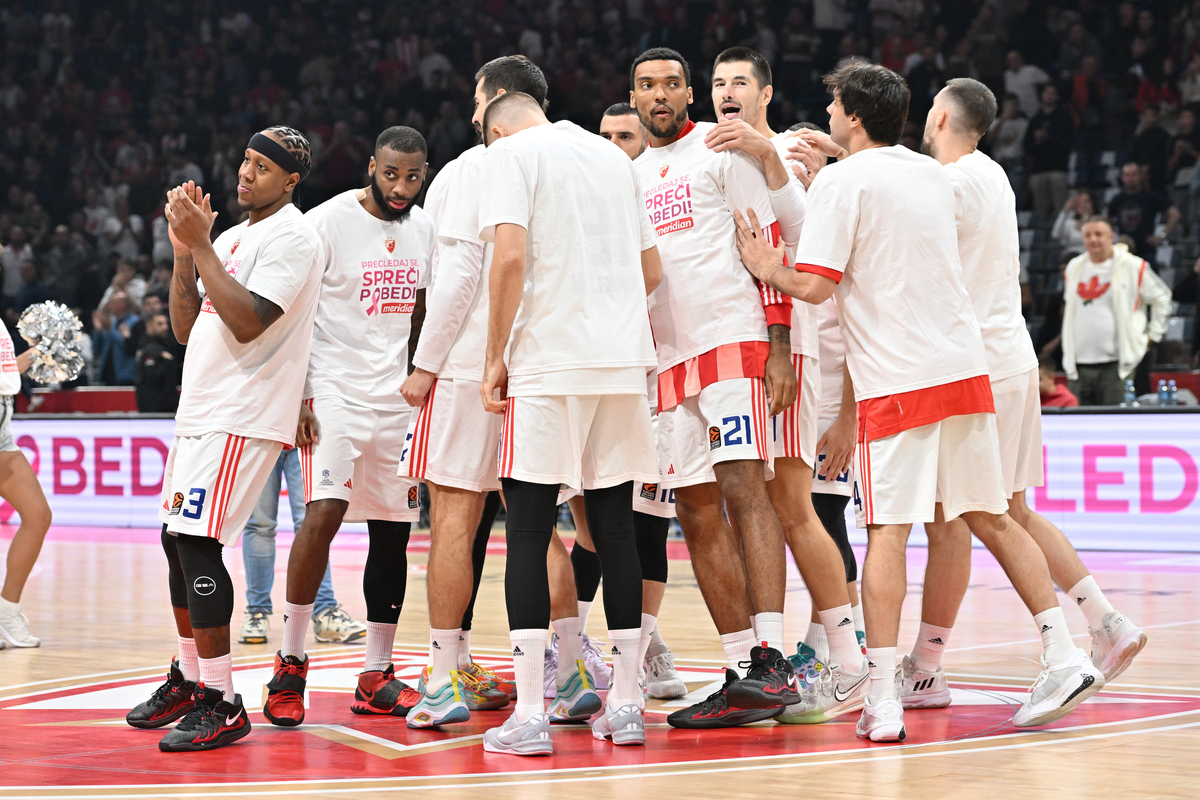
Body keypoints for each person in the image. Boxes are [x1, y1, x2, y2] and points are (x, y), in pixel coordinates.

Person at [735, 62, 1104, 743]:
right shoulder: (937, 175)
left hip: (897, 383)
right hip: (965, 371)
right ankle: (1065, 652)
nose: (829, 110)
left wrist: (767, 267)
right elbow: (891, 198)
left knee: (888, 535)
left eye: (834, 104)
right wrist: (842, 160)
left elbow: (815, 287)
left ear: (850, 114)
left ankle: (881, 696)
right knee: (991, 518)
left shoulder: (846, 181)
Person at [898, 79, 1147, 715]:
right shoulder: (995, 175)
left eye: (930, 111)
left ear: (943, 116)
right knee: (998, 509)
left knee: (973, 513)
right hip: (1010, 356)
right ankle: (1104, 621)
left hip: (974, 365)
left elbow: (894, 236)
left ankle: (1058, 657)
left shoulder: (947, 184)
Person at [124, 126, 323, 752]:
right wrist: (186, 253)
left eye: (263, 167)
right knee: (174, 539)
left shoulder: (295, 235)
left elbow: (246, 321)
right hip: (202, 410)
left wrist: (203, 246)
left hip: (244, 412)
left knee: (199, 543)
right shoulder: (232, 238)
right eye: (244, 160)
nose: (245, 173)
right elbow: (187, 329)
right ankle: (187, 678)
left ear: (290, 181)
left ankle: (222, 698)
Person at [475, 90, 662, 755]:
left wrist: (495, 356)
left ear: (495, 119)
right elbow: (651, 269)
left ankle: (530, 715)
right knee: (614, 528)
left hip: (548, 364)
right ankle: (630, 706)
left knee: (526, 529)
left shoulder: (511, 154)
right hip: (619, 362)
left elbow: (511, 260)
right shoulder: (614, 157)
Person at [628, 47, 801, 730]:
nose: (660, 95)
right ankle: (739, 672)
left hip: (732, 340)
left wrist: (780, 343)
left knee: (743, 491)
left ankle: (772, 658)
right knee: (694, 512)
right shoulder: (630, 176)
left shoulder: (723, 151)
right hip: (667, 359)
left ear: (689, 93)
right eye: (647, 86)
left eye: (672, 84)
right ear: (634, 97)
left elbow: (771, 246)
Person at [704, 45, 868, 724]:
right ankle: (828, 654)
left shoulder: (789, 154)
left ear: (766, 92)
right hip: (787, 350)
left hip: (798, 353)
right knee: (788, 507)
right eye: (719, 83)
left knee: (801, 510)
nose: (727, 92)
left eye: (740, 80)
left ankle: (848, 658)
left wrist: (790, 162)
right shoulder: (726, 159)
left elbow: (794, 253)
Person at [263, 127, 441, 728]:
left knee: (394, 530)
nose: (400, 186)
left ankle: (376, 673)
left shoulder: (424, 230)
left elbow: (422, 313)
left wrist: (423, 376)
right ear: (372, 165)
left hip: (396, 399)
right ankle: (290, 662)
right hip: (332, 389)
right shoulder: (326, 221)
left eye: (413, 176)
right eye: (390, 173)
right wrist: (301, 394)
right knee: (324, 513)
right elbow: (293, 312)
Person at [398, 56, 549, 722]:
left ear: (495, 101)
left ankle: (443, 675)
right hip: (540, 364)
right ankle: (568, 669)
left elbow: (456, 279)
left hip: (466, 369)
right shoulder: (569, 163)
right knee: (537, 527)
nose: (469, 113)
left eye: (475, 99)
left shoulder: (468, 170)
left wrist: (425, 365)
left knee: (453, 523)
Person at [236, 448, 366, 647]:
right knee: (259, 525)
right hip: (262, 429)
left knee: (312, 523)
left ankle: (324, 614)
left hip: (306, 435)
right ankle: (256, 612)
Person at [1061, 216, 1172, 405]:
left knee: (1113, 424)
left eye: (1099, 234)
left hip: (1117, 363)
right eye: (1088, 235)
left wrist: (1153, 335)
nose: (1093, 239)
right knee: (1079, 428)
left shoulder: (1133, 265)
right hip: (1078, 364)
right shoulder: (1074, 267)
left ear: (1111, 236)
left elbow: (1162, 297)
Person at [0, 319, 53, 648]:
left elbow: (6, 378)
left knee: (37, 515)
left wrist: (38, 354)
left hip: (3, 436)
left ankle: (6, 613)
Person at [1107, 163, 1180, 268]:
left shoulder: (1151, 196)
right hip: (1124, 252)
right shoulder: (1118, 199)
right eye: (1127, 175)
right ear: (1122, 177)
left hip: (1146, 252)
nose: (1130, 178)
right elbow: (1107, 219)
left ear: (1140, 176)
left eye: (1133, 174)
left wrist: (1162, 236)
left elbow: (1175, 214)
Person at [1023, 83, 1073, 220]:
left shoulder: (1064, 117)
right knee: (1041, 213)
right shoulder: (1035, 120)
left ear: (1057, 97)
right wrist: (1037, 141)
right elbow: (1027, 147)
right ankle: (1043, 239)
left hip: (1058, 169)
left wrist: (1048, 137)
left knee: (1061, 210)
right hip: (1038, 171)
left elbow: (1068, 143)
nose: (1049, 95)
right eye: (1046, 92)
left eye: (1052, 93)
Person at [133, 310, 181, 412]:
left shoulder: (165, 346)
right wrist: (167, 362)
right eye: (160, 324)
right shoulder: (150, 350)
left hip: (165, 407)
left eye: (166, 324)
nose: (165, 327)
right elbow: (152, 379)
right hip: (155, 409)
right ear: (149, 326)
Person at [1051, 191, 1094, 258]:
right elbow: (1056, 234)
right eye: (1079, 202)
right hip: (1071, 258)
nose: (1083, 205)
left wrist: (1086, 219)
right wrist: (1065, 211)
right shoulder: (1070, 223)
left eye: (1086, 202)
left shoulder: (1099, 223)